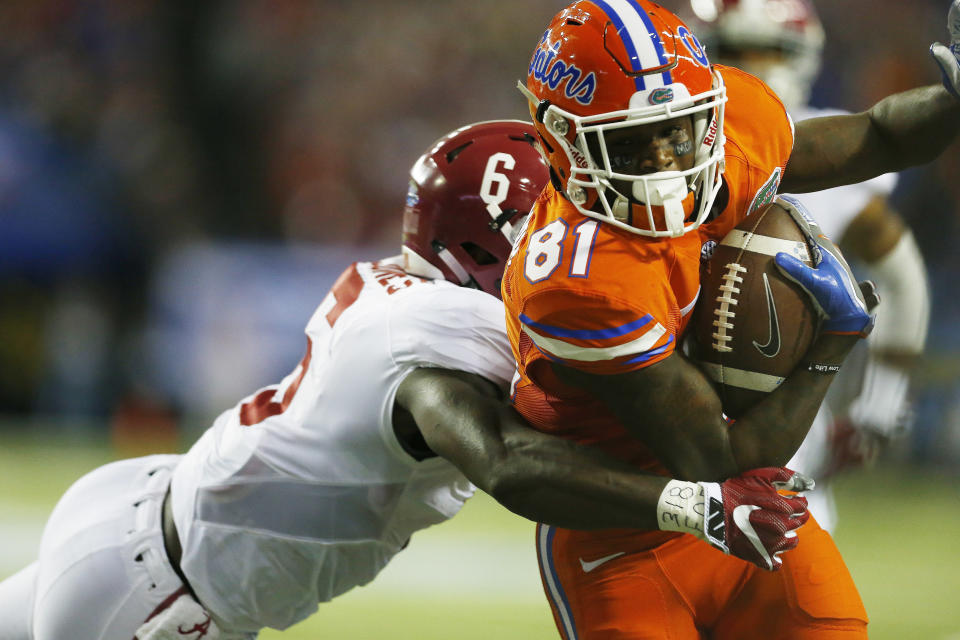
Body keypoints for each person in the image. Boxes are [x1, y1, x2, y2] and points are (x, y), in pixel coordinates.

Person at [0, 121, 812, 640]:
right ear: (498, 245)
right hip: (157, 603)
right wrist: (693, 504)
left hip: (131, 519)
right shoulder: (445, 340)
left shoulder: (399, 290)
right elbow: (507, 463)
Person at [503, 1, 960, 638]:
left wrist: (953, 101)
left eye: (682, 132)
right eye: (632, 144)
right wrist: (834, 339)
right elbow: (719, 460)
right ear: (561, 139)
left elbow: (877, 135)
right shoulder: (579, 283)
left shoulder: (732, 132)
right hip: (625, 535)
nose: (669, 166)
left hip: (762, 507)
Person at [691, 0, 932, 532]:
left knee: (786, 554)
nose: (752, 66)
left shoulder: (813, 143)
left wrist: (881, 402)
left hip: (782, 410)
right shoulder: (678, 145)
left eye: (769, 51)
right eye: (734, 51)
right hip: (676, 402)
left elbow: (902, 275)